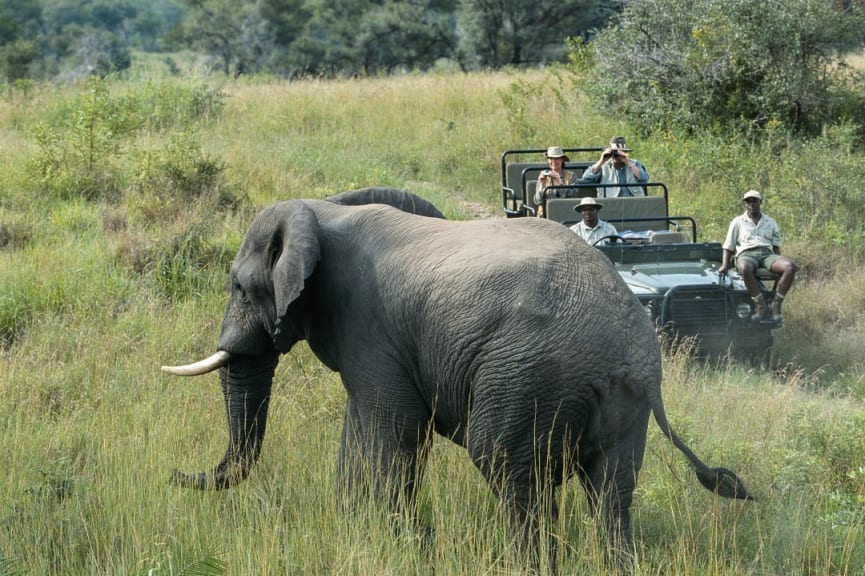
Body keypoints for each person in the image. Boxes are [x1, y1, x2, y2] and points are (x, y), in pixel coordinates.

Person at [718, 190, 798, 321]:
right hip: (746, 254)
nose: (751, 204)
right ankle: (760, 304)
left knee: (790, 267)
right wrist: (725, 264)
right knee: (745, 268)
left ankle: (776, 303)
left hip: (767, 254)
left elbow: (776, 246)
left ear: (760, 202)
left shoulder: (770, 222)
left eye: (754, 200)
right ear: (745, 204)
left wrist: (778, 263)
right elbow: (728, 246)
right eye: (748, 201)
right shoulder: (738, 222)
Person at [581, 136, 649, 197]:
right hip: (611, 204)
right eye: (613, 153)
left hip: (633, 203)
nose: (616, 156)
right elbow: (586, 179)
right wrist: (601, 161)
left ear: (625, 152)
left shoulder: (634, 163)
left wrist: (628, 162)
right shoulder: (603, 166)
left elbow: (644, 179)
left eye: (619, 153)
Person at [533, 146, 577, 216]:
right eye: (550, 158)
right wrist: (542, 185)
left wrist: (559, 185)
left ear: (562, 160)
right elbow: (538, 201)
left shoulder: (571, 176)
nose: (553, 161)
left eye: (556, 159)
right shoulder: (543, 175)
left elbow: (573, 197)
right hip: (546, 215)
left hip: (565, 213)